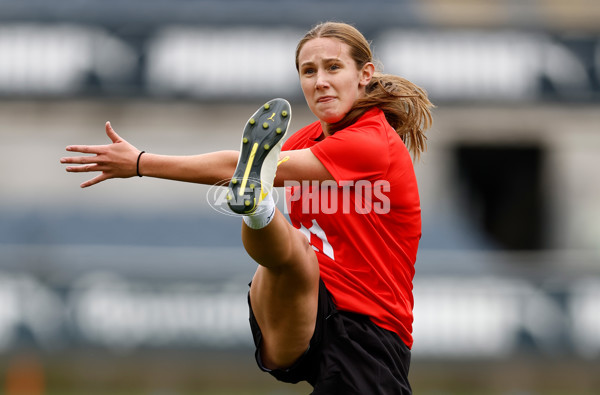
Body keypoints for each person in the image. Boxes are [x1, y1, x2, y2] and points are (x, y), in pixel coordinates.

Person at [61, 21, 433, 394]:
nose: (320, 81)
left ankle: (259, 208)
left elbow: (233, 166)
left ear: (364, 74)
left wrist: (142, 162)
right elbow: (241, 166)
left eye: (333, 67)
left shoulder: (372, 142)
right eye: (309, 71)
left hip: (368, 331)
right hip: (297, 303)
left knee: (290, 238)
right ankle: (258, 208)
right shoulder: (306, 140)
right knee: (296, 255)